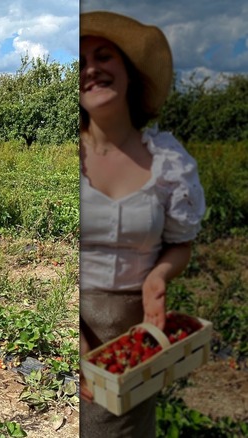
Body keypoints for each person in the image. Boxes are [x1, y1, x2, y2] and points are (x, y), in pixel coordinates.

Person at [79, 11, 205, 437]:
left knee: (128, 426)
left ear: (129, 74)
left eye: (103, 57)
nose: (91, 69)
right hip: (75, 324)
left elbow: (180, 242)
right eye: (79, 64)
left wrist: (160, 276)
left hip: (139, 329)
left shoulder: (169, 163)